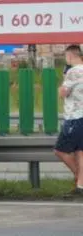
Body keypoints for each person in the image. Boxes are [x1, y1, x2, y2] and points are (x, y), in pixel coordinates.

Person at [54, 44, 83, 196]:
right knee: (80, 152)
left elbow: (63, 93)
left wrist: (64, 78)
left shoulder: (73, 72)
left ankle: (79, 177)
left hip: (74, 117)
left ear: (70, 56)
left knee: (60, 150)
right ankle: (80, 185)